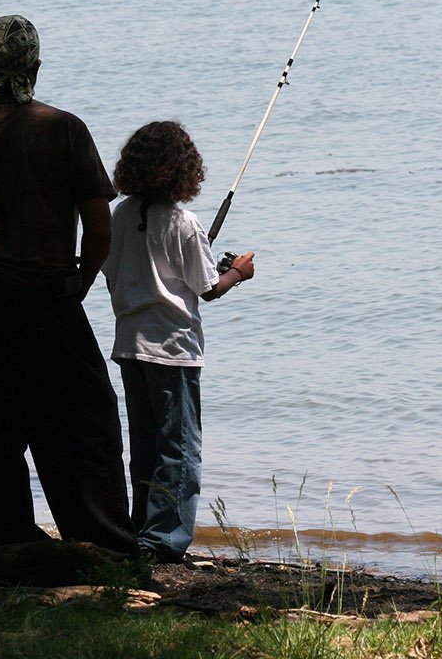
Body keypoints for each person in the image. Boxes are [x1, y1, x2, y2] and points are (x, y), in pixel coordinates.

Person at [0, 14, 137, 556]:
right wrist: (79, 281)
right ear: (36, 66)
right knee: (82, 421)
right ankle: (102, 544)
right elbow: (99, 226)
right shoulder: (63, 128)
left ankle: (12, 540)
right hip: (47, 295)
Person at [102, 120, 256, 564]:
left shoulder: (121, 214)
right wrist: (239, 273)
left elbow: (112, 272)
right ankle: (164, 541)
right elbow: (208, 289)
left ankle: (142, 530)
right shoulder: (185, 224)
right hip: (174, 352)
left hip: (130, 347)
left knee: (147, 445)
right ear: (183, 170)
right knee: (180, 448)